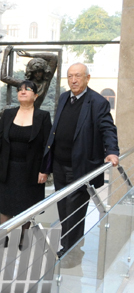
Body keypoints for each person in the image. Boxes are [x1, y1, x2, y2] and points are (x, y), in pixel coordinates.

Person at [43, 63, 119, 266]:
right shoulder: (63, 98)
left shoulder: (97, 102)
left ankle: (70, 252)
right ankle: (69, 245)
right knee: (63, 207)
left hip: (82, 167)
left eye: (78, 76)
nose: (74, 80)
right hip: (60, 165)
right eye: (70, 76)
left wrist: (112, 151)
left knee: (75, 209)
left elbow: (108, 128)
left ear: (87, 78)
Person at [0, 80, 52, 248]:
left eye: (28, 90)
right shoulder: (8, 114)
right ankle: (2, 237)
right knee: (5, 204)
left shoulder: (43, 116)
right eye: (20, 90)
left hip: (32, 169)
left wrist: (45, 170)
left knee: (27, 205)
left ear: (36, 95)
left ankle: (24, 236)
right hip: (8, 167)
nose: (23, 92)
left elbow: (48, 146)